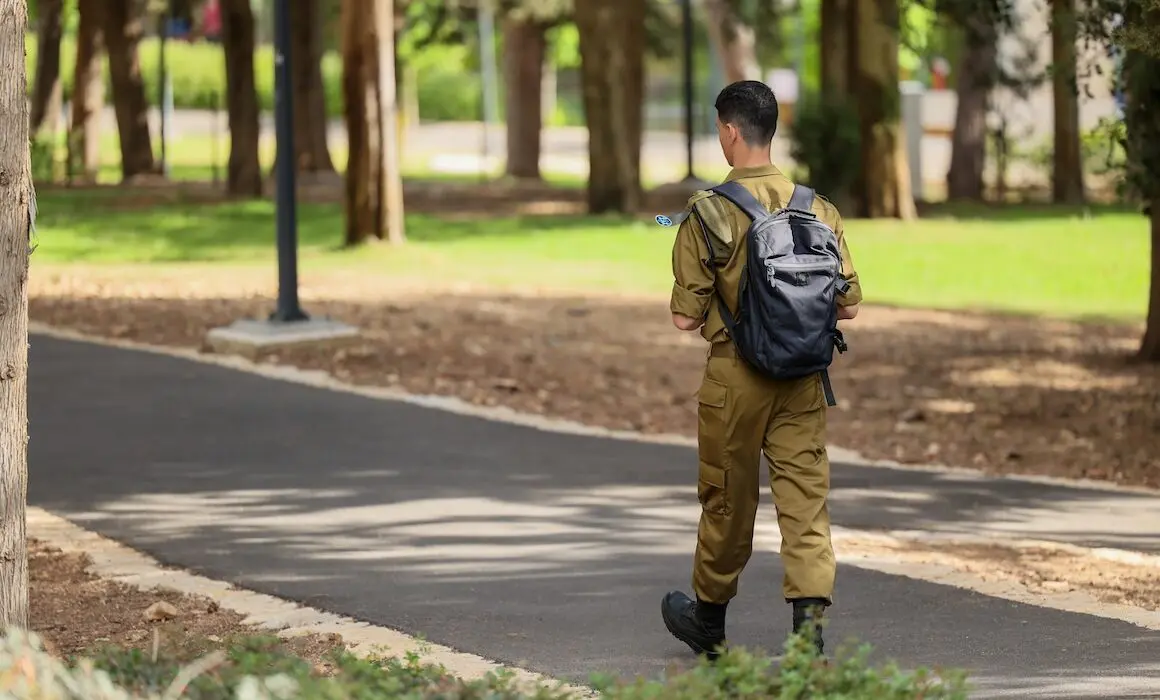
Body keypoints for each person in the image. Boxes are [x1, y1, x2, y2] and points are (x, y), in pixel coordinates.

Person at [660, 80, 862, 660]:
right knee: (805, 500)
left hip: (736, 379)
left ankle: (709, 618)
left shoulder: (708, 212)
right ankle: (808, 634)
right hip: (803, 377)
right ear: (771, 131)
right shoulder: (818, 208)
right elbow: (847, 303)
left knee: (727, 498)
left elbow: (683, 318)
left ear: (729, 131)